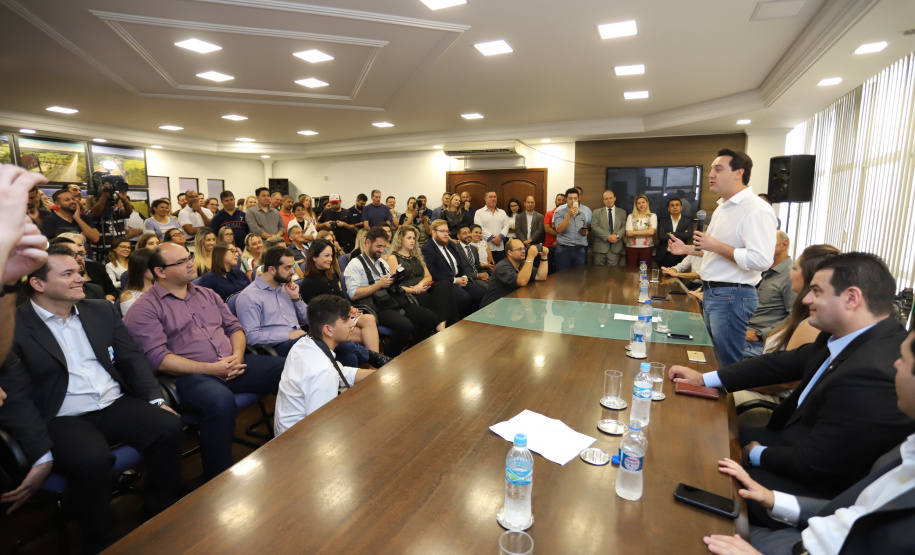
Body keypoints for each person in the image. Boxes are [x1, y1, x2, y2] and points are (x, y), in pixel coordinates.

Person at [669, 252, 915, 503]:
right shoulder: (848, 334)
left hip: (807, 487)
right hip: (786, 445)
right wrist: (705, 378)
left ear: (852, 298)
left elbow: (816, 463)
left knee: (697, 474)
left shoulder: (873, 371)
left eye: (817, 291)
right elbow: (781, 364)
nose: (806, 299)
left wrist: (755, 454)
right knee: (690, 438)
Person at [0, 249, 183, 553]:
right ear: (38, 284)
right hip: (63, 415)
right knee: (92, 459)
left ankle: (160, 512)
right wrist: (41, 454)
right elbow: (17, 397)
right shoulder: (14, 328)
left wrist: (154, 399)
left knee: (168, 426)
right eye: (68, 273)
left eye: (79, 270)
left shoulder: (100, 310)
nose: (81, 278)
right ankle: (101, 542)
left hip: (113, 402)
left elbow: (131, 359)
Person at [702, 329, 915, 555]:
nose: (895, 365)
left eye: (904, 360)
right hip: (800, 533)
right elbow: (855, 512)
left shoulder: (871, 368)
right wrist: (773, 499)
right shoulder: (904, 450)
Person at [123, 242, 285, 480]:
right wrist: (212, 369)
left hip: (231, 364)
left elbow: (235, 328)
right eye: (182, 262)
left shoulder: (207, 294)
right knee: (220, 401)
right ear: (160, 271)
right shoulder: (144, 308)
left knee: (287, 367)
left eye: (189, 257)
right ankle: (220, 480)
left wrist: (237, 356)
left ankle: (290, 439)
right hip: (189, 378)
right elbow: (157, 358)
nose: (191, 263)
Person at [668, 149, 778, 367]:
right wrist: (687, 250)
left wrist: (716, 245)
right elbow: (715, 250)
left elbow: (762, 260)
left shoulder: (756, 209)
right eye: (711, 169)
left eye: (718, 169)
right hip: (714, 292)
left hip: (733, 295)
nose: (710, 174)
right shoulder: (722, 208)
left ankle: (732, 401)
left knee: (727, 362)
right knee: (713, 358)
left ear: (738, 173)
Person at [273, 295, 376, 435]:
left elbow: (339, 371)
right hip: (300, 443)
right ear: (328, 330)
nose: (352, 324)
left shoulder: (303, 343)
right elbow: (323, 428)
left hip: (291, 432)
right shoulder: (322, 371)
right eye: (346, 320)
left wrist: (380, 375)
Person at [344, 227, 439, 356]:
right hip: (376, 306)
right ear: (367, 242)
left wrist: (401, 284)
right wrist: (378, 285)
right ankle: (390, 357)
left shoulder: (382, 262)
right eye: (378, 246)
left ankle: (412, 351)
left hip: (393, 299)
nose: (382, 250)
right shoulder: (355, 264)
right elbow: (353, 294)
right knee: (405, 325)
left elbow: (392, 284)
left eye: (383, 246)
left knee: (431, 318)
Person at [235, 247, 309, 354]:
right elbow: (251, 336)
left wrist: (296, 298)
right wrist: (288, 335)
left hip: (300, 340)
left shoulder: (287, 287)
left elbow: (307, 320)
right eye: (288, 268)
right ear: (272, 270)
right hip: (278, 346)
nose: (292, 272)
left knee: (334, 339)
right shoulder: (249, 296)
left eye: (293, 267)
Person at [745, 231, 796, 358]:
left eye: (766, 243)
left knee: (713, 350)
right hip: (745, 331)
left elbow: (795, 316)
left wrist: (759, 334)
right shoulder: (765, 270)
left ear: (784, 245)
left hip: (760, 342)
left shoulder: (790, 276)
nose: (761, 247)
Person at [387, 226, 450, 329]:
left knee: (445, 284)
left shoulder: (417, 256)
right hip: (408, 293)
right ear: (400, 239)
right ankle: (442, 326)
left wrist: (420, 285)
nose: (412, 241)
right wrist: (414, 290)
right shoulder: (393, 258)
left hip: (422, 287)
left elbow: (429, 276)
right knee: (440, 300)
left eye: (414, 238)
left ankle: (441, 324)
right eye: (409, 238)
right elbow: (393, 286)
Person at [422, 220, 485, 318]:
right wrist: (455, 280)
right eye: (442, 231)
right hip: (444, 283)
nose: (446, 234)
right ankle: (458, 323)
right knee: (464, 298)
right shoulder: (427, 248)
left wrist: (464, 276)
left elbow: (460, 265)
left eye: (447, 231)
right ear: (433, 232)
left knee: (480, 294)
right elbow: (433, 274)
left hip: (459, 278)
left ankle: (471, 320)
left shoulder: (450, 245)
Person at [480, 240, 549, 307]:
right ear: (510, 253)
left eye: (524, 248)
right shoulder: (502, 266)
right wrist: (530, 257)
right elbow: (522, 281)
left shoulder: (522, 264)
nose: (524, 251)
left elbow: (541, 276)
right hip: (492, 308)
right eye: (519, 249)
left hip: (510, 305)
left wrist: (544, 256)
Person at [54, 234, 118, 301]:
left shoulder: (97, 267)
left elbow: (113, 292)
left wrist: (102, 303)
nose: (78, 248)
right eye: (74, 245)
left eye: (80, 245)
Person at [552, 188, 592, 272]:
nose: (573, 201)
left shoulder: (582, 215)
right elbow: (559, 230)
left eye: (575, 198)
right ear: (566, 200)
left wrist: (585, 232)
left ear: (578, 199)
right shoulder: (559, 212)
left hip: (580, 250)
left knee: (579, 278)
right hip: (564, 250)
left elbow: (584, 230)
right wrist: (569, 215)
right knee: (562, 278)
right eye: (570, 198)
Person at [591, 190, 627, 267]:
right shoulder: (596, 212)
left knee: (613, 275)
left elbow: (624, 227)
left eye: (610, 198)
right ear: (603, 200)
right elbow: (594, 227)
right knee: (598, 274)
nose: (609, 200)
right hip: (600, 248)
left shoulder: (622, 212)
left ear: (615, 198)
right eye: (606, 199)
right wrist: (608, 236)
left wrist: (616, 235)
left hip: (615, 247)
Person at [655, 197, 694, 268]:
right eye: (672, 205)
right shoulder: (662, 220)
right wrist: (682, 233)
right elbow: (661, 236)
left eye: (677, 205)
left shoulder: (688, 221)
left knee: (679, 278)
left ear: (681, 207)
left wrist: (670, 233)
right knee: (663, 277)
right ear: (668, 208)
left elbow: (688, 235)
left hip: (681, 255)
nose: (675, 207)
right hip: (665, 254)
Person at [474, 192, 509, 263]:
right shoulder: (479, 212)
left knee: (500, 270)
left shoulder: (502, 212)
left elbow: (506, 226)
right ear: (485, 199)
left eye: (495, 197)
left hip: (500, 247)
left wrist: (499, 237)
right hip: (486, 247)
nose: (493, 199)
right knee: (488, 269)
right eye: (490, 197)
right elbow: (479, 228)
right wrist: (493, 239)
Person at [624, 193, 657, 267]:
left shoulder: (652, 216)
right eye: (638, 203)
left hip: (646, 248)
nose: (641, 205)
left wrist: (634, 233)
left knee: (644, 271)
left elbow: (651, 232)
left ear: (647, 203)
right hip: (631, 247)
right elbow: (628, 233)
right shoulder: (631, 216)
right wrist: (645, 232)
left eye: (643, 202)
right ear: (636, 205)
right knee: (631, 272)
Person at [119, 247, 155, 315]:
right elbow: (133, 323)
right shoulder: (128, 296)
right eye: (151, 266)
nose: (156, 269)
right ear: (140, 268)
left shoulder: (163, 289)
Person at [543, 192, 566, 274]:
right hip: (549, 246)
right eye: (559, 200)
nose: (561, 202)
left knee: (560, 270)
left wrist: (559, 241)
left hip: (563, 246)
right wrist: (559, 237)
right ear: (555, 201)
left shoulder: (567, 215)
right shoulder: (549, 214)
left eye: (563, 200)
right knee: (547, 270)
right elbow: (547, 229)